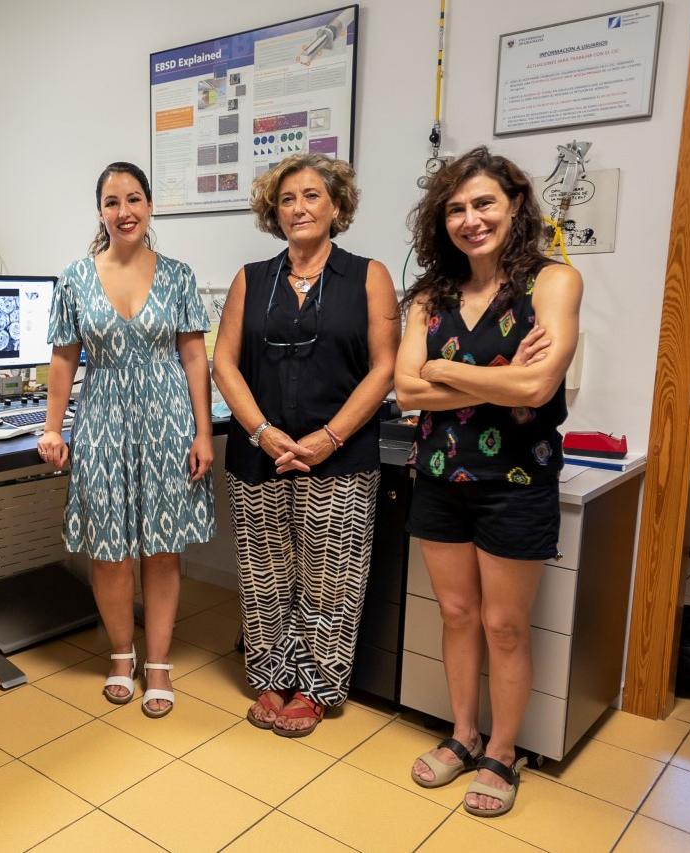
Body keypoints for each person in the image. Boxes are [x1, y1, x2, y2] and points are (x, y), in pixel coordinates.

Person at [395, 146, 582, 817]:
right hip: (441, 473)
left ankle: (503, 751)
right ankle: (463, 734)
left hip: (516, 478)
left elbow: (538, 384)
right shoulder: (427, 295)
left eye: (483, 204)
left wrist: (445, 372)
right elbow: (405, 389)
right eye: (456, 208)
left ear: (514, 207)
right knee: (456, 613)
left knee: (504, 624)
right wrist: (497, 376)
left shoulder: (553, 284)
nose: (470, 219)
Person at [212, 153, 399, 737]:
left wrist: (328, 437)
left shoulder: (369, 275)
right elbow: (223, 362)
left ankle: (316, 686)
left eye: (312, 195)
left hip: (340, 458)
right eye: (287, 199)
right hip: (259, 456)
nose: (299, 207)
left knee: (330, 576)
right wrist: (265, 434)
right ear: (275, 212)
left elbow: (385, 367)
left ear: (336, 206)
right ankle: (269, 674)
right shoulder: (252, 278)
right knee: (265, 571)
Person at [38, 161, 215, 718]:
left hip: (168, 420)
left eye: (134, 199)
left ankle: (158, 662)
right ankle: (121, 652)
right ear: (100, 212)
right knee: (110, 551)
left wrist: (204, 432)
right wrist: (52, 427)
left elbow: (194, 356)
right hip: (103, 420)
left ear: (150, 206)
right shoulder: (74, 278)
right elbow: (64, 358)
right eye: (113, 202)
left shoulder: (180, 275)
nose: (125, 212)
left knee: (162, 549)